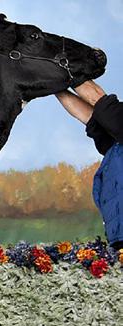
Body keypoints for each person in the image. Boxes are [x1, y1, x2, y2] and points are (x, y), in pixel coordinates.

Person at [56, 81, 123, 251]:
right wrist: (53, 85)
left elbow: (97, 99)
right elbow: (89, 117)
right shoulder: (116, 145)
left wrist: (65, 71)